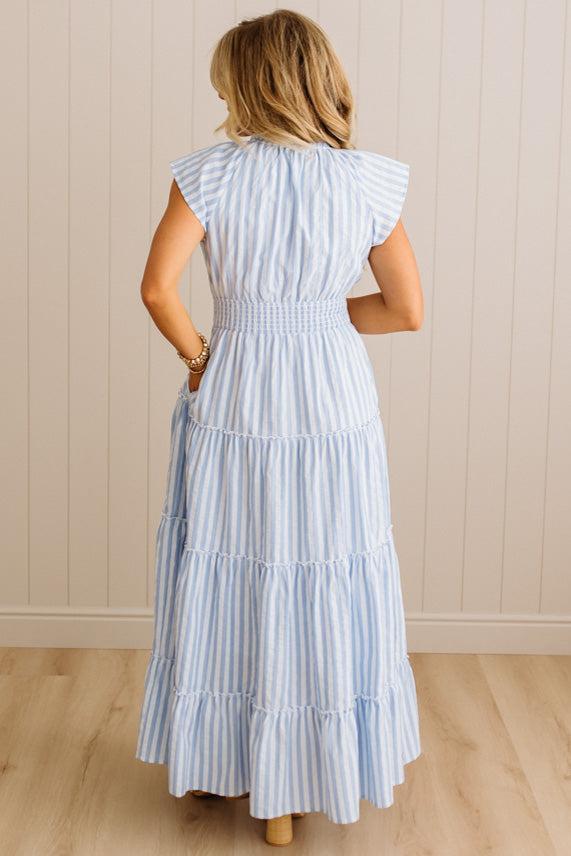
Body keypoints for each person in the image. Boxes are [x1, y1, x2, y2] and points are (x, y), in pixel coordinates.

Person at [135, 7, 423, 838]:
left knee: (236, 564)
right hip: (331, 394)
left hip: (238, 390)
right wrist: (317, 317)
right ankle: (308, 774)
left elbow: (159, 290)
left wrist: (202, 358)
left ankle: (237, 763)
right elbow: (406, 311)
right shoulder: (370, 179)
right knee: (323, 563)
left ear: (246, 82)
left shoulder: (209, 174)